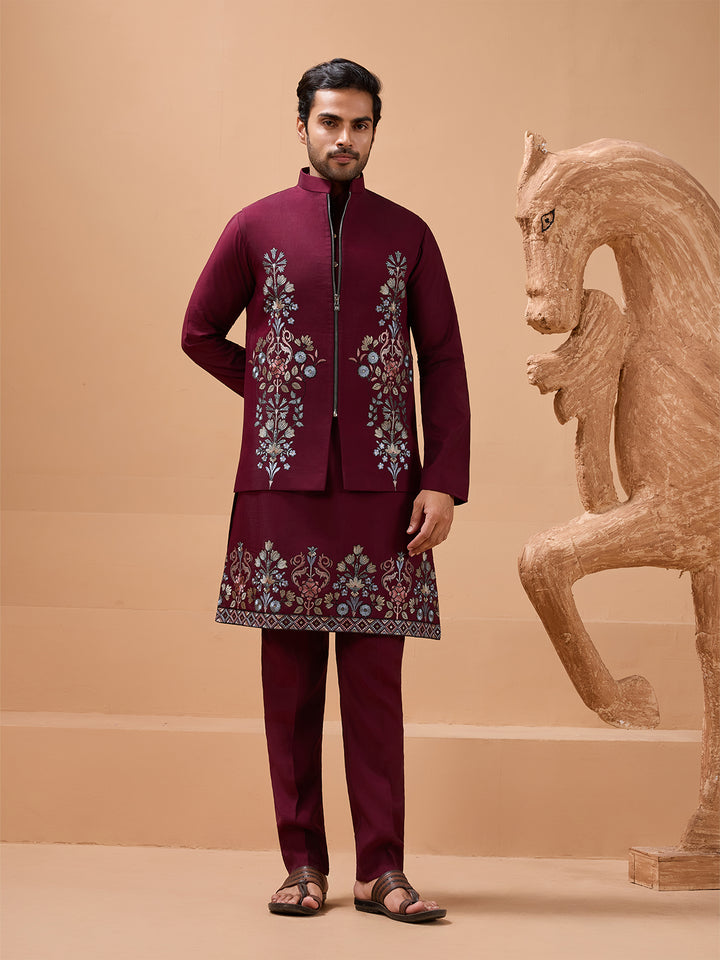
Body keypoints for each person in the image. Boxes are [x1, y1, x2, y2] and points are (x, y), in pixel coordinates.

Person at [182, 58, 470, 923]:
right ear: (302, 127)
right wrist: (277, 396)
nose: (344, 138)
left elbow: (444, 360)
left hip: (385, 494)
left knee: (376, 693)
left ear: (376, 131)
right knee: (292, 687)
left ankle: (383, 872)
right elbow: (199, 332)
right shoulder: (257, 229)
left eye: (360, 125)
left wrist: (444, 482)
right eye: (330, 123)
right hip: (283, 494)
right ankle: (300, 865)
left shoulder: (408, 234)